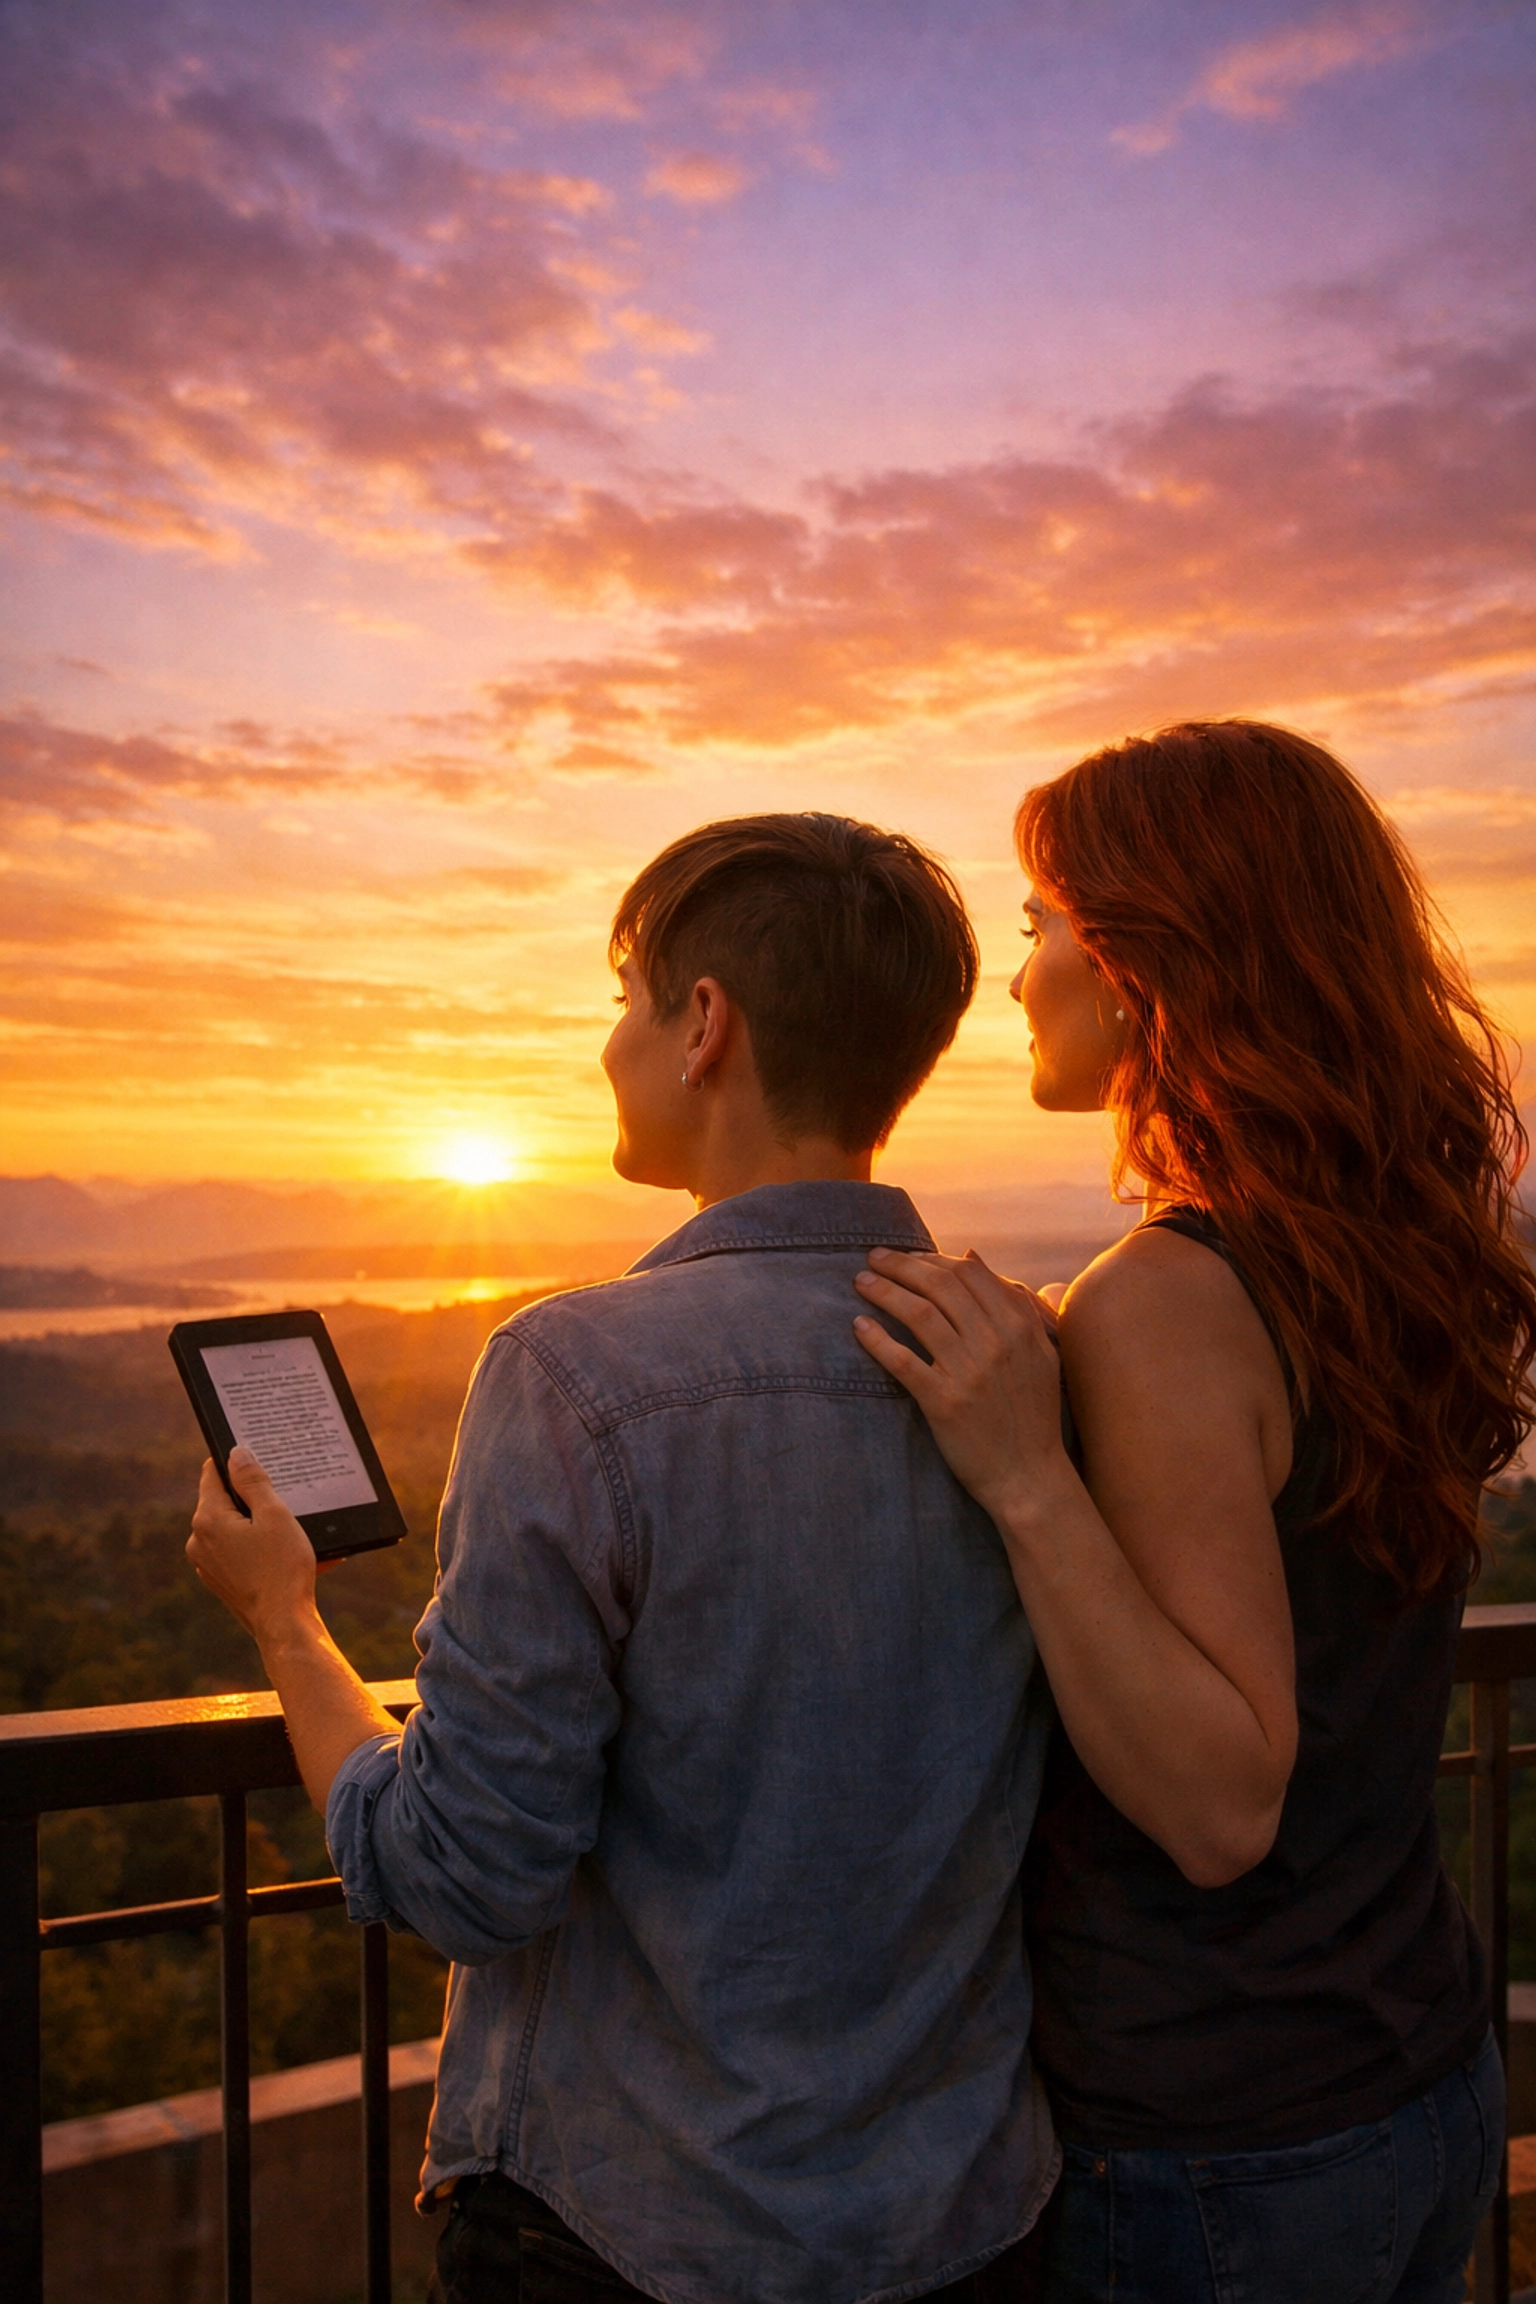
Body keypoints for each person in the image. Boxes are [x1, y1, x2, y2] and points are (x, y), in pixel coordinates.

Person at [185, 811, 1060, 2304]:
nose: (607, 1047)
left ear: (703, 1025)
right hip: (963, 2225)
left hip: (640, 2236)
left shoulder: (575, 1374)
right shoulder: (1019, 1348)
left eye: (625, 1002)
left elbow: (463, 1873)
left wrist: (285, 1625)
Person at [851, 721, 1536, 2304]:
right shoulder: (1366, 1260)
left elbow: (1225, 1806)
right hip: (1417, 2073)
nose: (1016, 977)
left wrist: (1027, 1472)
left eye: (1039, 924)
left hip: (1219, 2148)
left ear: (1146, 962)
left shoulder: (1166, 1297)